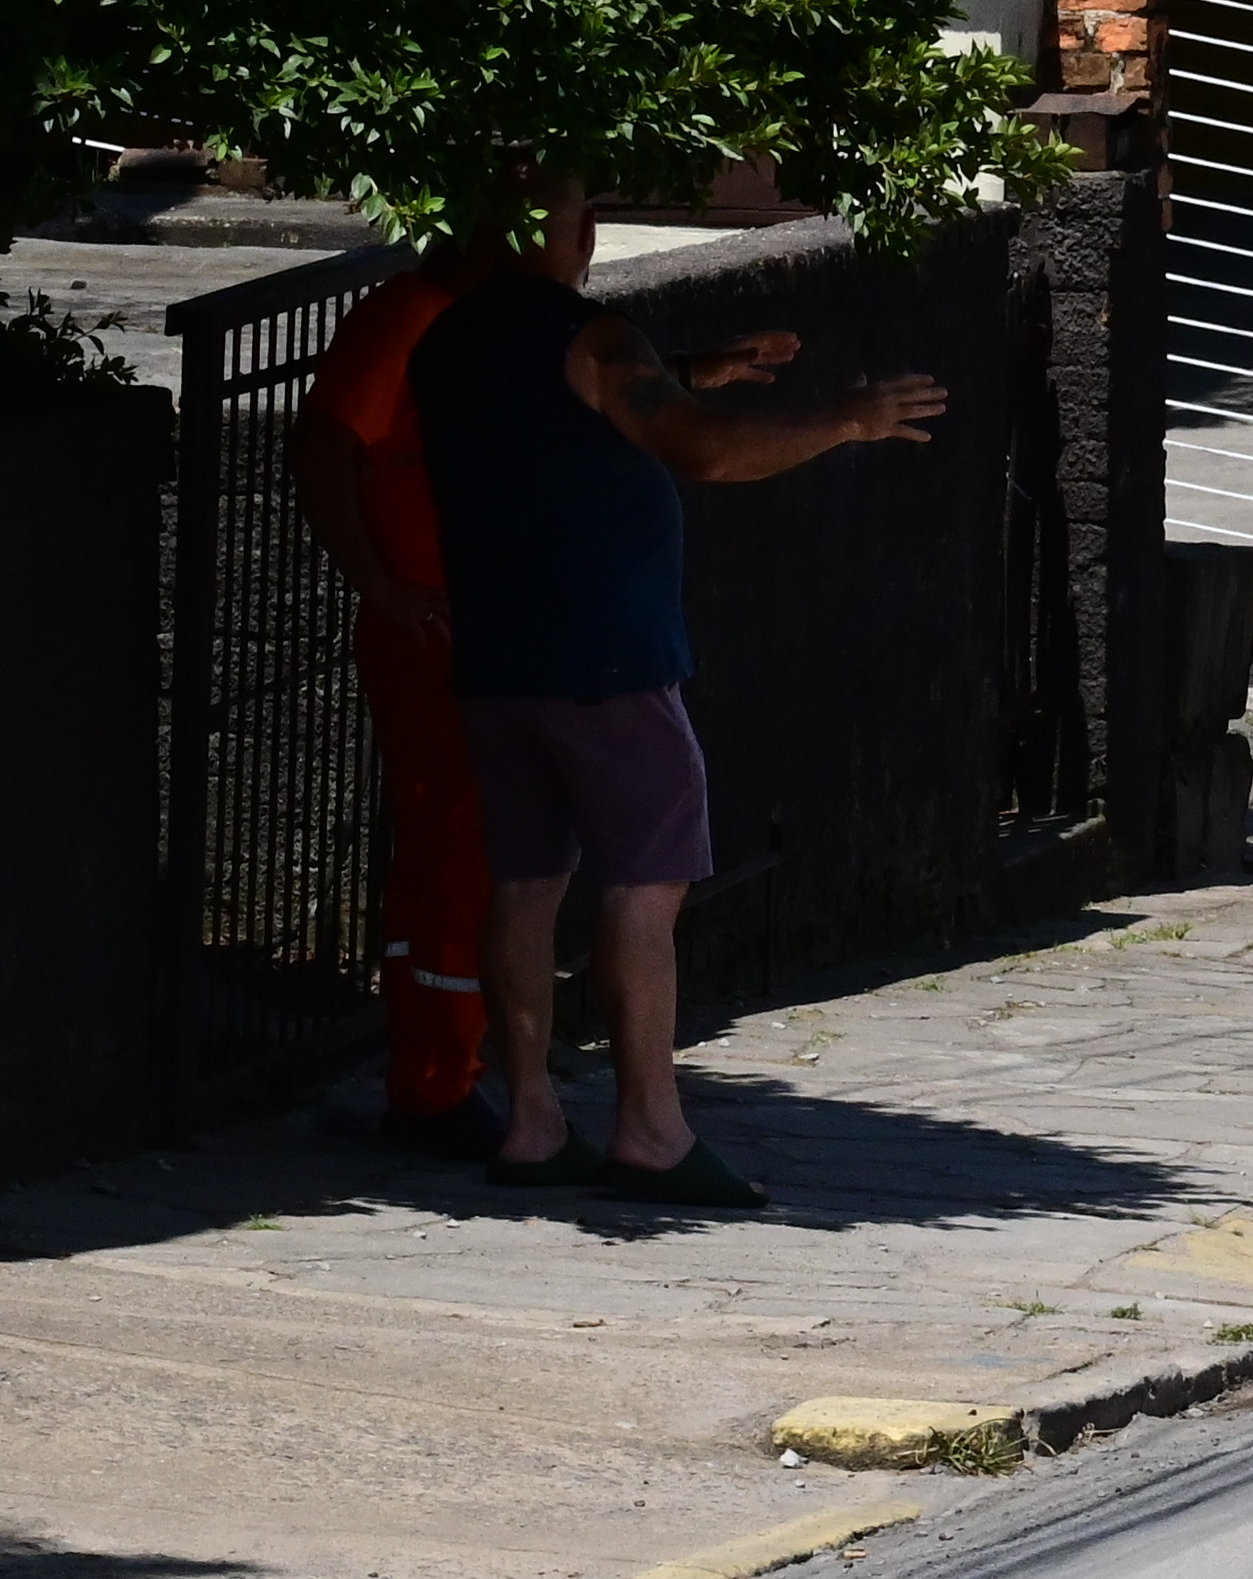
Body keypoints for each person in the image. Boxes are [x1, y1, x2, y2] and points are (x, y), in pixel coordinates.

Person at [409, 178, 951, 1207]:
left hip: (496, 654)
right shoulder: (599, 340)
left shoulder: (451, 341)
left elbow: (557, 417)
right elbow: (696, 445)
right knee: (645, 882)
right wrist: (847, 414)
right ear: (581, 233)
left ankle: (529, 1119)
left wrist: (697, 367)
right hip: (608, 657)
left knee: (524, 882)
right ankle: (651, 1127)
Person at [287, 242, 505, 1154]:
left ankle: (456, 1068)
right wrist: (380, 586)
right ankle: (434, 1084)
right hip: (431, 629)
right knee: (451, 853)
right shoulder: (409, 314)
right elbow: (323, 443)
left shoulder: (476, 319)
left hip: (472, 624)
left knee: (480, 854)